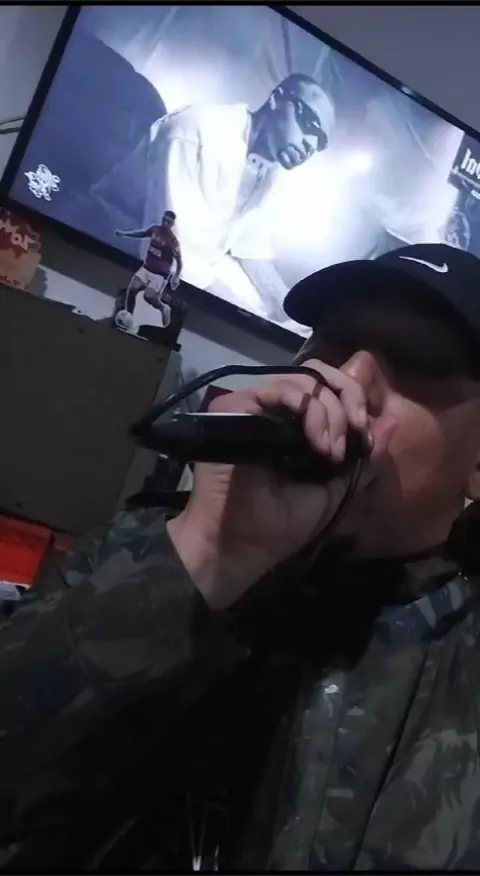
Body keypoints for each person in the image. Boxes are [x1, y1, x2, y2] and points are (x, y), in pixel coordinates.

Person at [3, 242, 480, 871]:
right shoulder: (142, 550)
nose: (350, 382)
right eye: (330, 345)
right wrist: (209, 555)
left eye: (417, 363)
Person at [91, 74, 335, 325]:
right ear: (276, 99)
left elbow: (249, 248)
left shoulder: (268, 168)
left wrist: (290, 308)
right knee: (250, 320)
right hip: (118, 234)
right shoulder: (200, 131)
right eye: (310, 123)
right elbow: (172, 253)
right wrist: (247, 316)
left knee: (283, 321)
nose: (310, 144)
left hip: (195, 255)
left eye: (320, 143)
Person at [112, 209, 183, 332]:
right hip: (146, 268)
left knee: (148, 296)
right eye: (164, 219)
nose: (165, 223)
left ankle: (163, 308)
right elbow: (142, 233)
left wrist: (175, 277)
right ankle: (129, 318)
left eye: (168, 221)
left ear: (172, 224)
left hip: (160, 274)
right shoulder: (155, 229)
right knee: (132, 289)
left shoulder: (173, 241)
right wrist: (124, 234)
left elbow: (179, 261)